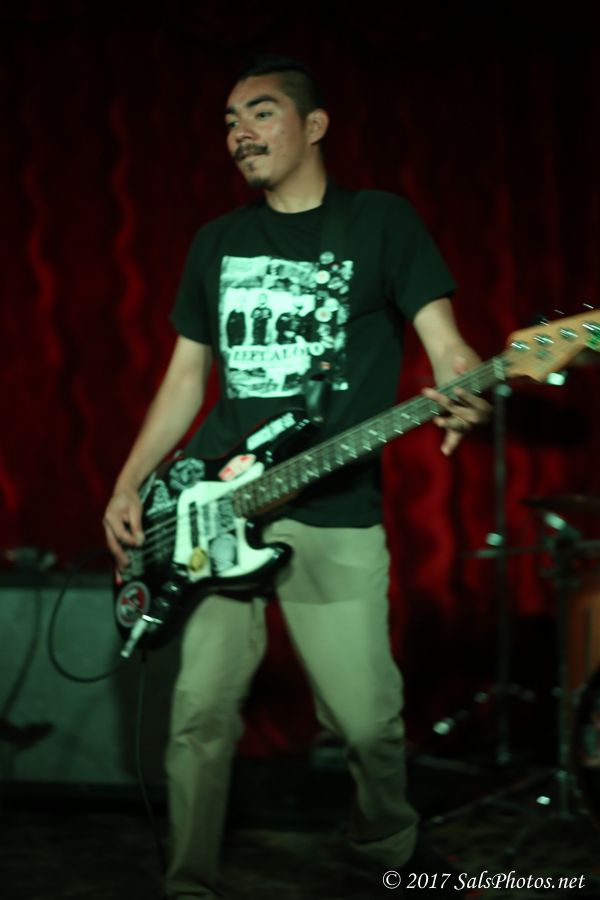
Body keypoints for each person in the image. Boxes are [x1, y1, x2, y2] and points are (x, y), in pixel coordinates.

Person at [103, 56, 490, 900]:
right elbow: (185, 378)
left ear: (314, 126)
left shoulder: (379, 222)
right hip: (213, 507)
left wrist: (462, 384)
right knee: (199, 715)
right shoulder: (217, 241)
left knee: (367, 724)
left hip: (334, 509)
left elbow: (447, 343)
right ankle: (189, 883)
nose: (239, 132)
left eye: (261, 113)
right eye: (229, 120)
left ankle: (387, 850)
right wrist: (131, 482)